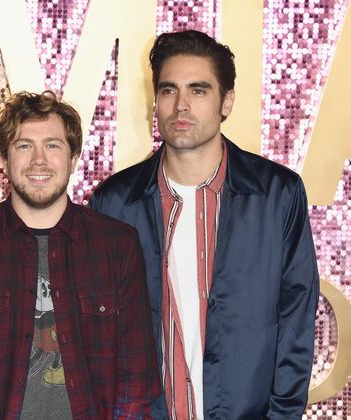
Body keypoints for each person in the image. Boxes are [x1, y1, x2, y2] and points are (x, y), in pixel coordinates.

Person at [90, 30, 319, 419]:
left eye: (198, 91)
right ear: (155, 103)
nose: (181, 105)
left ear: (226, 101)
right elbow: (96, 332)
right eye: (168, 90)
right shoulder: (113, 202)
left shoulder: (277, 194)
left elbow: (296, 321)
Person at [0, 91, 159, 419]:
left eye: (52, 145)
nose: (38, 160)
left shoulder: (117, 246)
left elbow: (137, 377)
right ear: (2, 159)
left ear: (74, 158)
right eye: (23, 146)